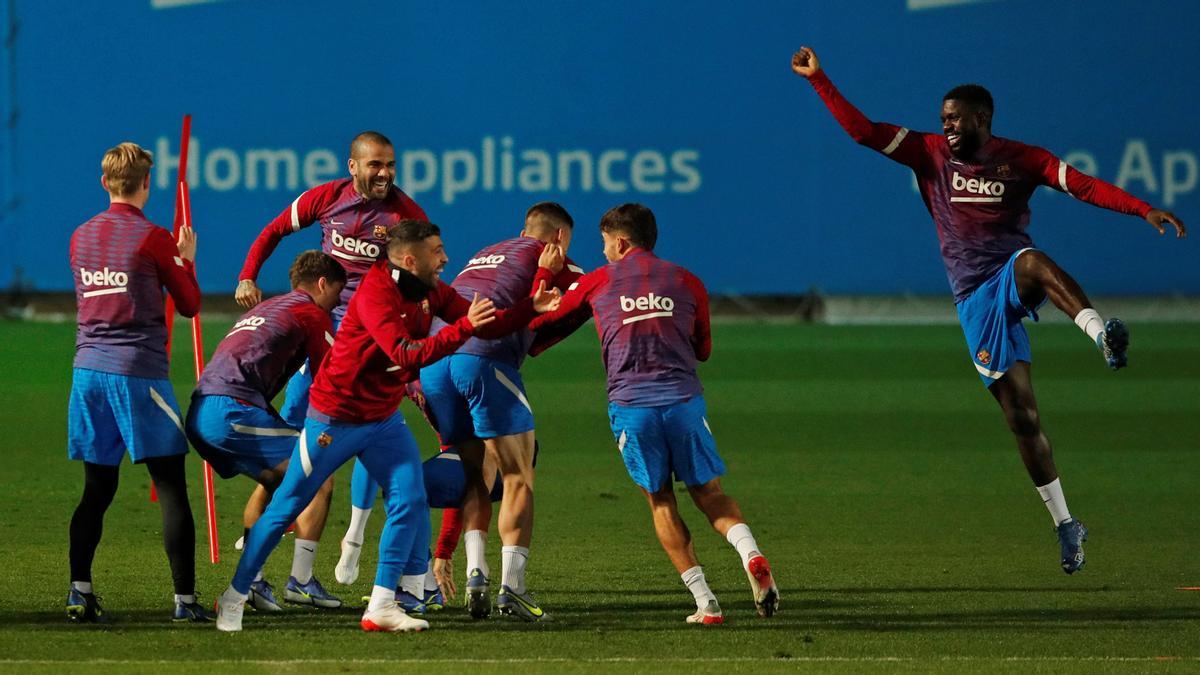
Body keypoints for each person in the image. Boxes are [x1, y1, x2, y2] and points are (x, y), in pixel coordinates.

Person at [790, 46, 1186, 573]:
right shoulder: (928, 152)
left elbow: (1085, 186)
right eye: (943, 118)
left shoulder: (1023, 159)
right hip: (974, 300)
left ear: (982, 118)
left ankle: (1101, 334)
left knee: (1031, 259)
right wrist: (820, 79)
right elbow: (864, 131)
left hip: (1010, 276)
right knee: (1023, 418)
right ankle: (1066, 523)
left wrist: (1141, 209)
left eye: (954, 117)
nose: (946, 124)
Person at [215, 219, 561, 633]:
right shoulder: (376, 294)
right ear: (411, 260)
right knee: (287, 504)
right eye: (438, 252)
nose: (446, 259)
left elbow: (484, 322)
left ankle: (381, 604)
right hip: (336, 417)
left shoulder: (430, 291)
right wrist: (466, 327)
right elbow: (406, 353)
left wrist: (530, 308)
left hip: (381, 419)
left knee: (410, 498)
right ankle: (234, 596)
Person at [528, 203, 781, 624]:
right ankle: (751, 553)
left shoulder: (597, 281)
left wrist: (542, 275)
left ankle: (706, 603)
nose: (604, 250)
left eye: (606, 242)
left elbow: (540, 320)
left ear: (621, 241)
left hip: (633, 408)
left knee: (661, 500)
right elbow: (704, 350)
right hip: (683, 402)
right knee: (710, 493)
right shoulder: (687, 280)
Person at [336, 202, 582, 622]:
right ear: (559, 238)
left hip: (433, 365)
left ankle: (463, 571)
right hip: (482, 358)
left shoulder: (486, 252)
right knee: (519, 471)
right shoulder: (560, 263)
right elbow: (577, 303)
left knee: (473, 465)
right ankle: (513, 589)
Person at [66, 142, 211, 623]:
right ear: (147, 184)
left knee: (97, 488)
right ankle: (185, 602)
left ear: (104, 182)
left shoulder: (79, 235)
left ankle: (79, 591)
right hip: (137, 373)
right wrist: (186, 259)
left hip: (87, 374)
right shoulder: (155, 239)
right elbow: (189, 304)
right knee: (170, 484)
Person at [186, 251, 347, 612]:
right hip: (231, 411)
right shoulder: (311, 313)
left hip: (202, 412)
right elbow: (330, 379)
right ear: (321, 284)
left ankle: (253, 584)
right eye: (337, 293)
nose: (338, 302)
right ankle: (301, 582)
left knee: (277, 482)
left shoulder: (270, 308)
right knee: (319, 475)